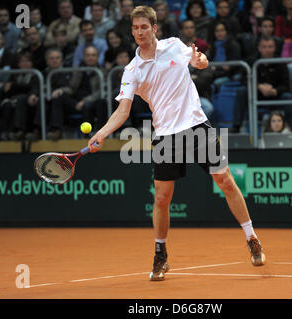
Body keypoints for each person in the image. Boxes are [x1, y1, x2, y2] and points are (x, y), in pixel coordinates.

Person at [87, 5, 266, 281]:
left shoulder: (174, 46)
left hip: (196, 125)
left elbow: (202, 62)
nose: (139, 32)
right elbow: (123, 111)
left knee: (226, 181)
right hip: (165, 136)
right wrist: (101, 132)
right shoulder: (132, 70)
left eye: (144, 27)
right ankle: (161, 254)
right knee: (161, 198)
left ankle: (251, 237)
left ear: (154, 28)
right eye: (135, 28)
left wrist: (200, 60)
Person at [232, 35, 292, 132]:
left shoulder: (280, 62)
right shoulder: (251, 61)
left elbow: (286, 85)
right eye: (264, 47)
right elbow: (243, 81)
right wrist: (259, 86)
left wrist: (275, 91)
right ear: (259, 48)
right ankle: (236, 127)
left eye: (270, 47)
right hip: (256, 95)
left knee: (288, 97)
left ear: (275, 48)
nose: (267, 50)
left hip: (275, 97)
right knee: (242, 91)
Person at [48, 46, 108, 140]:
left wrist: (85, 101)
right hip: (76, 102)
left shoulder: (102, 72)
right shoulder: (78, 70)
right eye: (88, 55)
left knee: (99, 103)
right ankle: (56, 130)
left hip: (92, 102)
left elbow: (101, 91)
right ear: (84, 57)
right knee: (59, 98)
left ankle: (95, 134)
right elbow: (72, 88)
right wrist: (62, 90)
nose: (90, 58)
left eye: (93, 55)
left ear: (97, 57)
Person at [0, 52, 41, 141]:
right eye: (22, 61)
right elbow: (8, 90)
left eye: (27, 61)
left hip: (29, 100)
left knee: (21, 99)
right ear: (18, 64)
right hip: (15, 99)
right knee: (7, 104)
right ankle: (5, 133)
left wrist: (15, 86)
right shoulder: (15, 74)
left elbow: (32, 88)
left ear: (31, 63)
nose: (25, 63)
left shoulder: (35, 74)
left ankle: (20, 130)